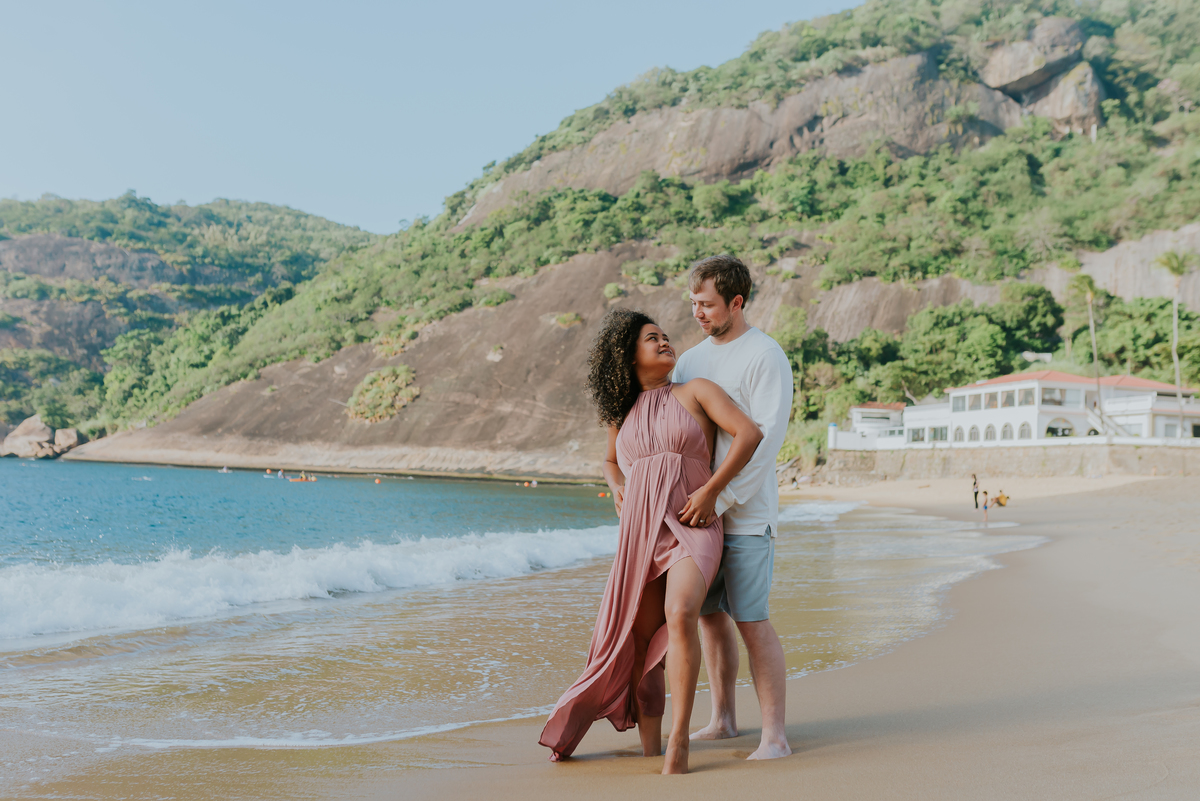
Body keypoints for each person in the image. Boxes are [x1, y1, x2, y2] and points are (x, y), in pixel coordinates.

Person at [540, 308, 763, 775]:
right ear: (628, 355)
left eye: (665, 336)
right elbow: (608, 460)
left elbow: (749, 433)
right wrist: (617, 482)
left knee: (681, 613)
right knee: (641, 643)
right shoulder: (619, 412)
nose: (664, 342)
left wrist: (712, 490)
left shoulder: (695, 391)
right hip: (641, 530)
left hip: (692, 521)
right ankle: (650, 748)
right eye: (651, 338)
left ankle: (679, 740)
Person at [672, 255, 794, 761]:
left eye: (707, 305)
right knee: (708, 616)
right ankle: (722, 719)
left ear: (737, 302)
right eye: (694, 304)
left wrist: (717, 498)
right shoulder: (690, 361)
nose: (697, 313)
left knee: (750, 618)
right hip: (699, 517)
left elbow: (765, 441)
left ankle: (775, 737)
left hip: (742, 514)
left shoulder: (766, 355)